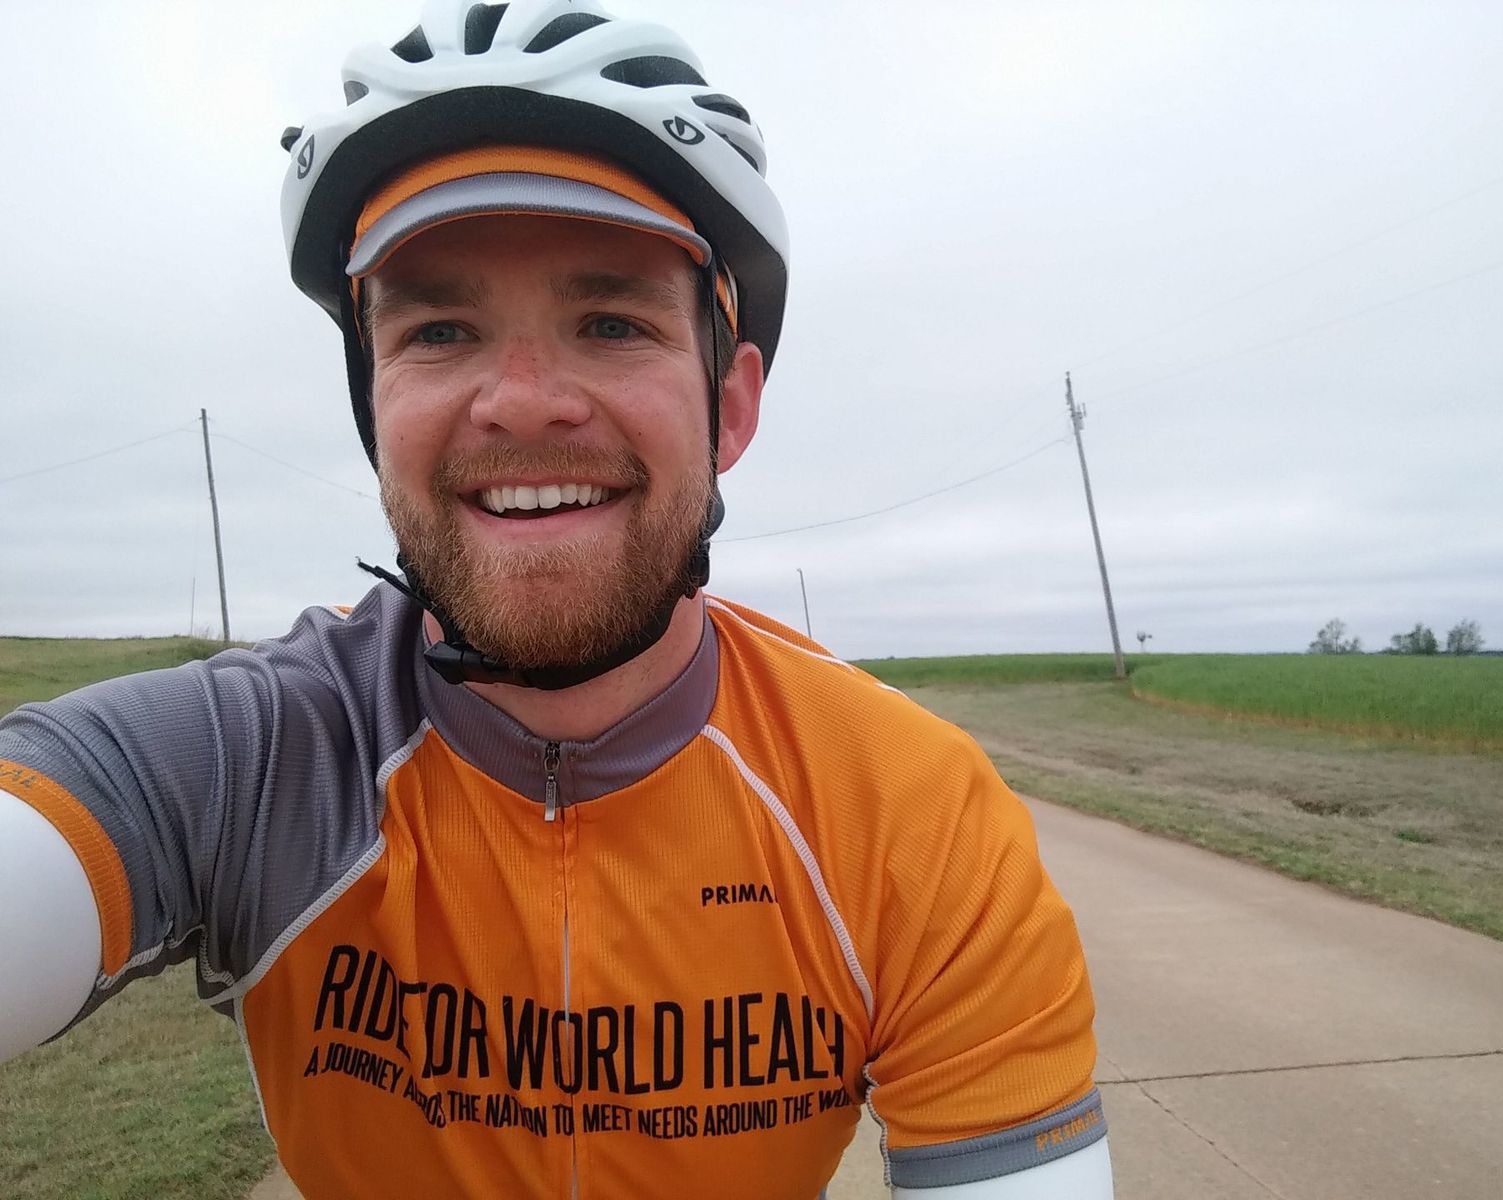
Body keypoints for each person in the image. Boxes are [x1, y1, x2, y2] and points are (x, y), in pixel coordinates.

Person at [0, 3, 1112, 1196]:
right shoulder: (251, 761)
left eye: (611, 322)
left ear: (729, 408)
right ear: (374, 408)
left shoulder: (910, 814)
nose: (523, 401)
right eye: (440, 330)